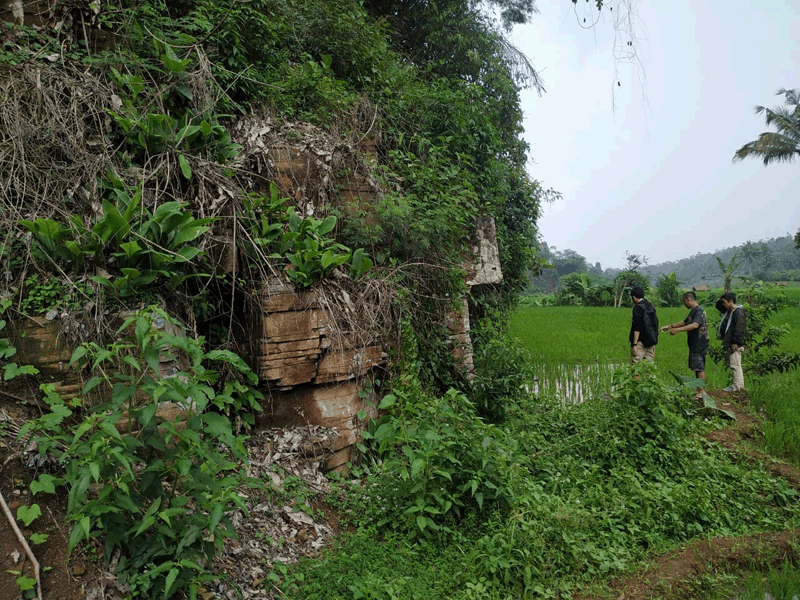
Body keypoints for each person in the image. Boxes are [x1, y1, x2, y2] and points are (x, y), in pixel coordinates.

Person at [660, 292, 708, 399]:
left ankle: (702, 390)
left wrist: (677, 330)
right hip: (695, 343)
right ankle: (699, 388)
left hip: (699, 343)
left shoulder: (699, 310)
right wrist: (670, 326)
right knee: (696, 366)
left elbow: (695, 325)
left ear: (689, 300)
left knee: (699, 366)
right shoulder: (693, 311)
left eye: (684, 301)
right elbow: (685, 322)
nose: (684, 303)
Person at [718, 291, 746, 391]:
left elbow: (739, 328)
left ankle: (737, 386)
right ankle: (737, 385)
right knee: (734, 364)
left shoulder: (738, 312)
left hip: (735, 344)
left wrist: (735, 342)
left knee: (735, 365)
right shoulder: (731, 312)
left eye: (724, 302)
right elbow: (719, 307)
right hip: (733, 342)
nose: (723, 304)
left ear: (731, 301)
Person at [629, 286, 658, 363]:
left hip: (640, 342)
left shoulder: (637, 308)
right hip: (651, 341)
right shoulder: (650, 306)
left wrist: (634, 344)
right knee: (649, 368)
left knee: (636, 368)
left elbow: (637, 327)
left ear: (634, 297)